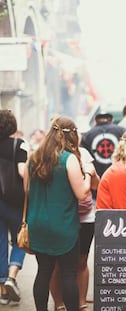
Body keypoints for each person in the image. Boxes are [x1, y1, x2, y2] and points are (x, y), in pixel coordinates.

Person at [25, 116, 96, 311]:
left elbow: (26, 190)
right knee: (69, 273)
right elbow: (82, 193)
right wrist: (88, 173)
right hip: (63, 225)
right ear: (71, 135)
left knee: (44, 271)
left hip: (38, 223)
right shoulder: (69, 158)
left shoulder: (34, 157)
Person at [50, 145, 100, 311]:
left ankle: (82, 303)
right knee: (57, 264)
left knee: (82, 261)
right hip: (62, 217)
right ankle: (59, 304)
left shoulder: (84, 153)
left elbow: (95, 185)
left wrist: (91, 172)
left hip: (85, 217)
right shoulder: (54, 156)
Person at [0, 109, 29, 305]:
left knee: (0, 242)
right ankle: (11, 276)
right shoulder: (20, 145)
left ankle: (2, 288)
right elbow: (22, 172)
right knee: (20, 238)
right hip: (14, 201)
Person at [81, 111, 125, 180]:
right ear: (111, 119)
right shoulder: (122, 131)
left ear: (96, 120)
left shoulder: (87, 135)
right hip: (119, 174)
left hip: (99, 176)